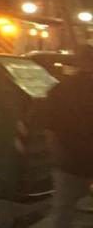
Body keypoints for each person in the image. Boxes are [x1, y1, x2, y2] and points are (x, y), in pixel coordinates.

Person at [41, 44, 93, 227]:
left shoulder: (61, 89)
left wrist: (57, 155)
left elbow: (49, 128)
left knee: (62, 210)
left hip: (69, 162)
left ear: (78, 61)